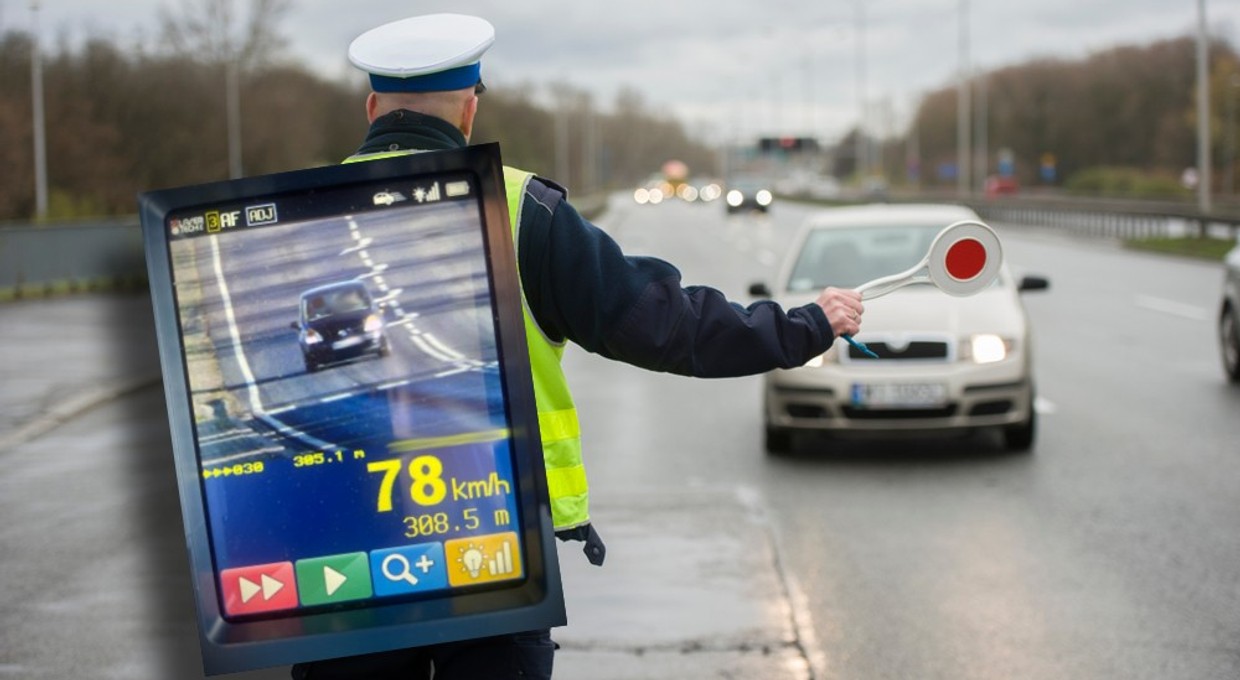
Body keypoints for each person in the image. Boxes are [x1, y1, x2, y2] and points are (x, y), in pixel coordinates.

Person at [291, 13, 864, 680]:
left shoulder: (292, 218)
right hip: (492, 547)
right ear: (470, 108)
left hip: (337, 559)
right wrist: (803, 327)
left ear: (370, 108)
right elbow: (666, 326)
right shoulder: (521, 209)